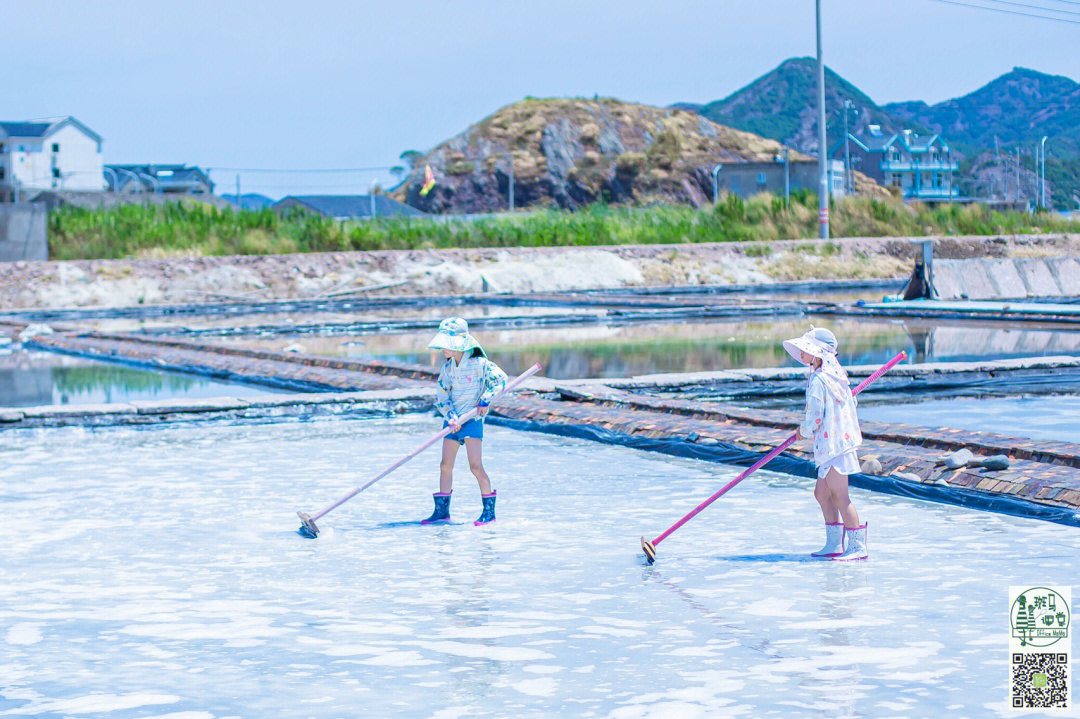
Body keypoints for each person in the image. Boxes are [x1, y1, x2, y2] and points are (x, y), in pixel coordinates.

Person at [782, 327, 868, 561]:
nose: (801, 353)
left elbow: (815, 416)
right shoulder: (833, 375)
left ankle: (858, 546)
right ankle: (833, 543)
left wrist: (803, 431)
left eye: (805, 349)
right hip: (830, 445)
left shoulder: (822, 379)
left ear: (818, 353)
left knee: (840, 496)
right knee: (821, 494)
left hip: (835, 447)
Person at [421, 317, 508, 526]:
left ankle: (489, 512)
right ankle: (442, 512)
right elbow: (442, 396)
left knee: (475, 466)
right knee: (445, 465)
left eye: (447, 344)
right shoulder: (448, 368)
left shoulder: (479, 364)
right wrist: (450, 415)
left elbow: (500, 379)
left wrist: (485, 399)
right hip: (452, 421)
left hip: (471, 420)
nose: (443, 348)